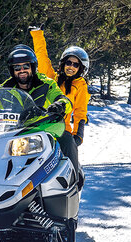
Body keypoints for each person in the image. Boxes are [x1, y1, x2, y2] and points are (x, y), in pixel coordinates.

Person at [0, 46, 82, 171]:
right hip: (11, 132)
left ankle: (74, 176)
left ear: (33, 67)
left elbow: (63, 99)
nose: (22, 70)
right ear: (12, 70)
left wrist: (59, 105)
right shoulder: (5, 87)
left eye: (26, 66)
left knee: (66, 139)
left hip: (43, 130)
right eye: (17, 68)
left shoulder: (46, 83)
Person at [29, 27, 90, 171]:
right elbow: (42, 56)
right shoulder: (51, 77)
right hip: (40, 125)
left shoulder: (80, 85)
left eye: (76, 65)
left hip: (62, 128)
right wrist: (37, 34)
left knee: (69, 145)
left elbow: (81, 111)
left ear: (81, 68)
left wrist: (78, 134)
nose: (71, 67)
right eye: (69, 63)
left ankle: (74, 178)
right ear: (63, 64)